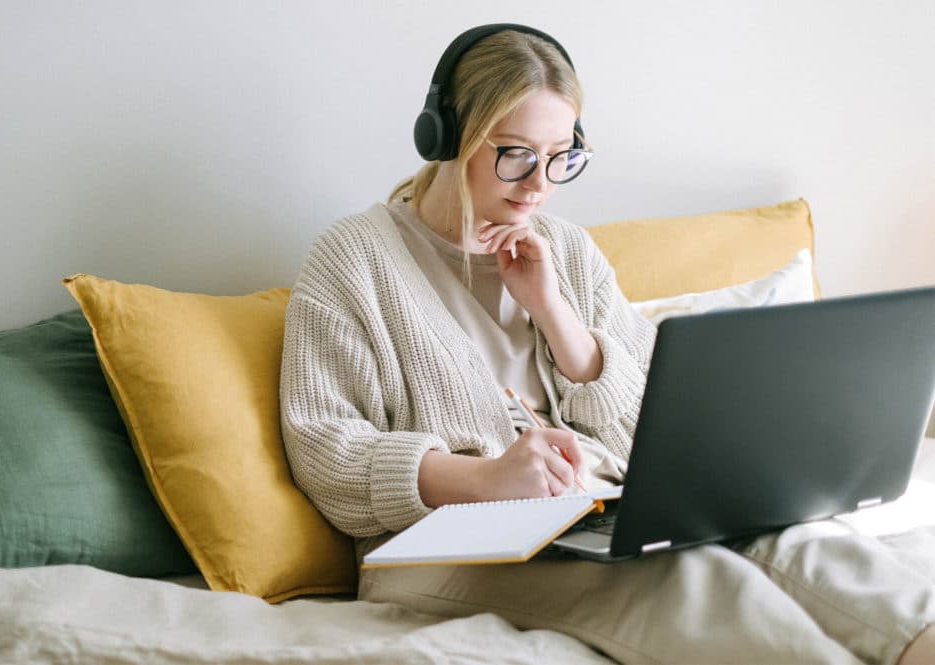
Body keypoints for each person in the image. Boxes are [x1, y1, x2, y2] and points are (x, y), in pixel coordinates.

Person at [279, 23, 935, 665]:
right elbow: (327, 452)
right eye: (514, 153)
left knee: (809, 545)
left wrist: (556, 313)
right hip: (436, 548)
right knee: (698, 585)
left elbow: (653, 419)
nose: (539, 184)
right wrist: (485, 478)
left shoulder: (565, 249)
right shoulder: (354, 259)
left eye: (561, 156)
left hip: (598, 513)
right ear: (448, 138)